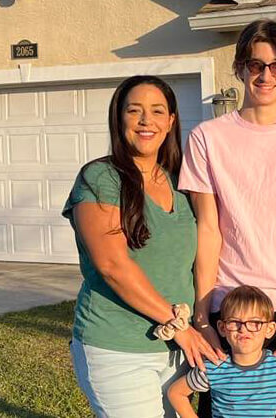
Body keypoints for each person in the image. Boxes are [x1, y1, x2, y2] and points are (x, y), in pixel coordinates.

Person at [178, 19, 276, 417]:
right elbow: (208, 229)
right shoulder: (207, 138)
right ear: (240, 67)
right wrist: (202, 317)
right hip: (228, 312)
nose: (265, 75)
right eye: (255, 64)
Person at [64, 75, 221, 418]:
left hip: (177, 351)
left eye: (157, 111)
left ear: (171, 121)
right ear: (119, 118)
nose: (146, 121)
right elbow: (112, 266)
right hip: (118, 346)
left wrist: (198, 324)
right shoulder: (100, 178)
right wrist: (180, 327)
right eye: (134, 111)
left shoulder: (180, 180)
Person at [168, 286, 276, 418]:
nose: (243, 328)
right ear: (222, 328)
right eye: (235, 322)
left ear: (270, 329)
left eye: (254, 323)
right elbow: (176, 393)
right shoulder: (214, 367)